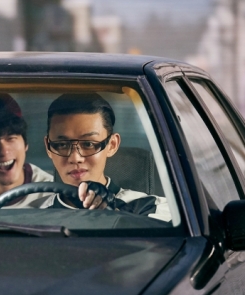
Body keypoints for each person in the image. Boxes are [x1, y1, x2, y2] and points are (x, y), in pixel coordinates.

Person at [41, 93, 171, 222]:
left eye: (88, 144)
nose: (75, 158)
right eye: (62, 145)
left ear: (112, 145)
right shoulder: (34, 213)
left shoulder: (152, 208)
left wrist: (112, 214)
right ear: (48, 147)